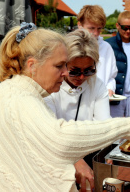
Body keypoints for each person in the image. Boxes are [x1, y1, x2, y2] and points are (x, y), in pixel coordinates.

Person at [0, 22, 130, 192]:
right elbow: (60, 139)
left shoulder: (8, 90)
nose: (65, 73)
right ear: (32, 65)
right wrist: (127, 126)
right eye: (60, 66)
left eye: (89, 70)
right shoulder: (23, 98)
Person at [44, 29, 111, 188]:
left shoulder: (97, 84)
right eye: (74, 71)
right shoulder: (49, 86)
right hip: (54, 157)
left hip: (88, 152)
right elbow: (50, 133)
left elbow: (102, 127)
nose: (82, 77)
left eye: (89, 70)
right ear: (63, 63)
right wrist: (75, 160)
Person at [77, 5, 118, 97]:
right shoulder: (70, 47)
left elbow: (111, 76)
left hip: (101, 100)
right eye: (91, 28)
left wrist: (110, 88)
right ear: (80, 25)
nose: (96, 33)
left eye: (99, 28)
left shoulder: (107, 48)